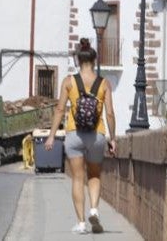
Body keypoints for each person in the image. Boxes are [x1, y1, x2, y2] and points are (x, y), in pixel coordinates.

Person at [44, 37, 117, 234]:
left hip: (74, 134)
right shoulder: (104, 84)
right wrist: (113, 138)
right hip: (97, 135)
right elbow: (109, 113)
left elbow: (60, 109)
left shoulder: (69, 82)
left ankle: (82, 223)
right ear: (94, 61)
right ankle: (94, 209)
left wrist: (51, 136)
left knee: (77, 178)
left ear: (78, 60)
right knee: (94, 175)